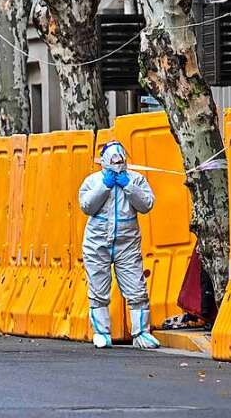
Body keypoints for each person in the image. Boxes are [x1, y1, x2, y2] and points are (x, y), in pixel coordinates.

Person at [78, 140, 160, 350]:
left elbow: (147, 205)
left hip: (127, 243)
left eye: (120, 158)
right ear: (104, 160)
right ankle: (102, 332)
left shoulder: (136, 180)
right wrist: (104, 186)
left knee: (136, 288)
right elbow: (87, 206)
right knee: (98, 289)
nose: (117, 161)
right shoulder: (93, 181)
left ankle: (141, 332)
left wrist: (128, 186)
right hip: (97, 243)